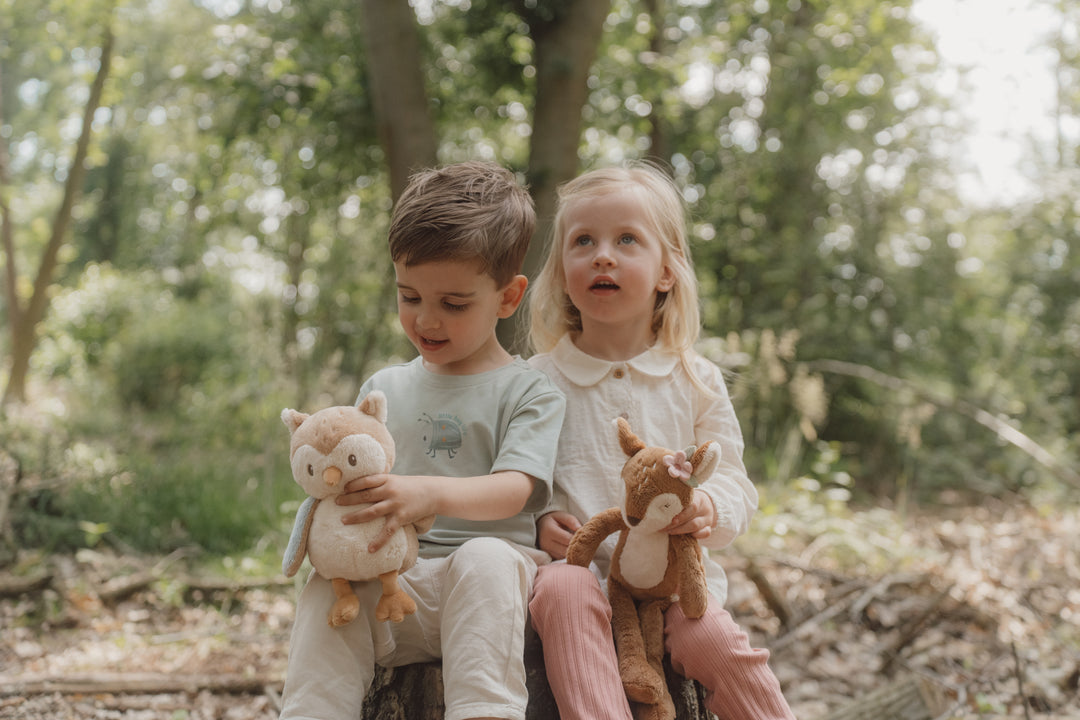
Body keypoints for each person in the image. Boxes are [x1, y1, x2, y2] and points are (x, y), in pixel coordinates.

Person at [279, 161, 566, 720]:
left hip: (487, 597)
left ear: (508, 298)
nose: (425, 320)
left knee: (484, 557)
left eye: (453, 304)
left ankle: (485, 710)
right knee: (322, 589)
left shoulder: (528, 389)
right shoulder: (383, 389)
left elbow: (516, 489)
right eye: (409, 296)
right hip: (392, 585)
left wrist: (428, 494)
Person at [526, 161, 796, 720]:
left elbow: (736, 484)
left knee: (713, 642)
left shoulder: (694, 378)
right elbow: (512, 478)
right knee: (562, 593)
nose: (603, 254)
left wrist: (706, 505)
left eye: (627, 239)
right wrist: (536, 518)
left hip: (676, 585)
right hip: (580, 575)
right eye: (583, 241)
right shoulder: (537, 381)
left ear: (667, 272)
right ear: (561, 273)